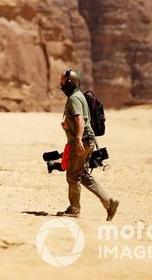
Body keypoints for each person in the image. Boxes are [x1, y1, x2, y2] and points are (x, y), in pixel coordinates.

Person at [57, 69, 120, 220]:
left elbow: (80, 120)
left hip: (82, 141)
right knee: (82, 174)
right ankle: (109, 202)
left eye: (63, 82)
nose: (61, 84)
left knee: (72, 176)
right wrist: (68, 126)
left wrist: (78, 138)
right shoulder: (79, 96)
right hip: (88, 140)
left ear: (69, 82)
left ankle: (74, 209)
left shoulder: (74, 99)